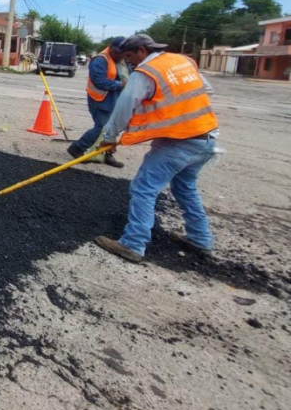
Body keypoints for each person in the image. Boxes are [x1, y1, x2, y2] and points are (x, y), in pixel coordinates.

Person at [94, 34, 219, 263]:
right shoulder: (182, 62)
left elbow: (125, 106)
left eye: (130, 56)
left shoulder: (146, 72)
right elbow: (205, 90)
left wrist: (109, 137)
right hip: (206, 137)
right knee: (185, 188)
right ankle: (200, 239)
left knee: (143, 188)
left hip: (178, 141)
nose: (128, 62)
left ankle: (133, 244)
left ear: (142, 50)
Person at [68, 37, 127, 168]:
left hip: (114, 100)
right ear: (110, 47)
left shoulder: (121, 61)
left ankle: (106, 154)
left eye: (123, 53)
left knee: (111, 130)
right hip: (100, 100)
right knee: (102, 128)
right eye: (118, 52)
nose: (120, 55)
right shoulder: (100, 60)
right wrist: (120, 84)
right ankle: (77, 148)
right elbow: (99, 81)